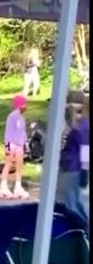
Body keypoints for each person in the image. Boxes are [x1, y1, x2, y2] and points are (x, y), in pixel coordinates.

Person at [57, 91, 89, 226]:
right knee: (74, 202)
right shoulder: (74, 124)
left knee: (71, 205)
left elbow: (85, 148)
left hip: (72, 168)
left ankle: (82, 230)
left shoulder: (81, 126)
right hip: (69, 167)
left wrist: (85, 170)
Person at [0, 95, 30, 200]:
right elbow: (7, 132)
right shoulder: (12, 116)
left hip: (19, 144)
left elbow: (23, 133)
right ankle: (3, 186)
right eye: (25, 104)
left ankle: (18, 186)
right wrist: (7, 145)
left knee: (19, 165)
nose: (26, 107)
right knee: (8, 164)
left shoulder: (22, 118)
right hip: (11, 143)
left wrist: (26, 145)